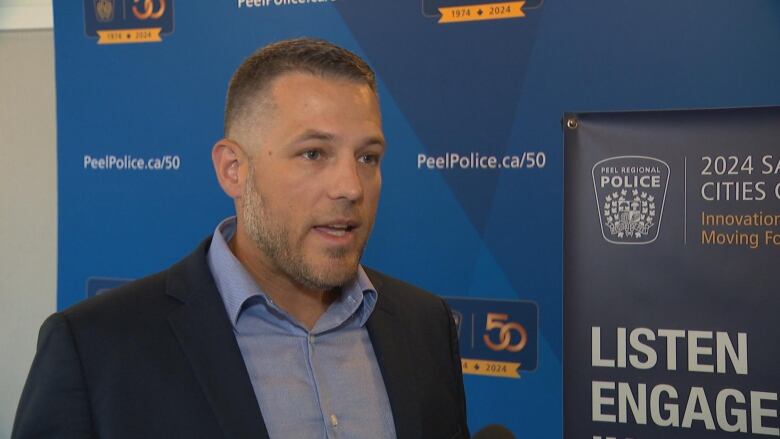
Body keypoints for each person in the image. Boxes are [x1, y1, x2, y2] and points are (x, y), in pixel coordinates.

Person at [12, 38, 469, 439]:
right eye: (314, 153)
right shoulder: (96, 349)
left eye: (368, 157)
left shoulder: (426, 327)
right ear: (234, 169)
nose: (351, 187)